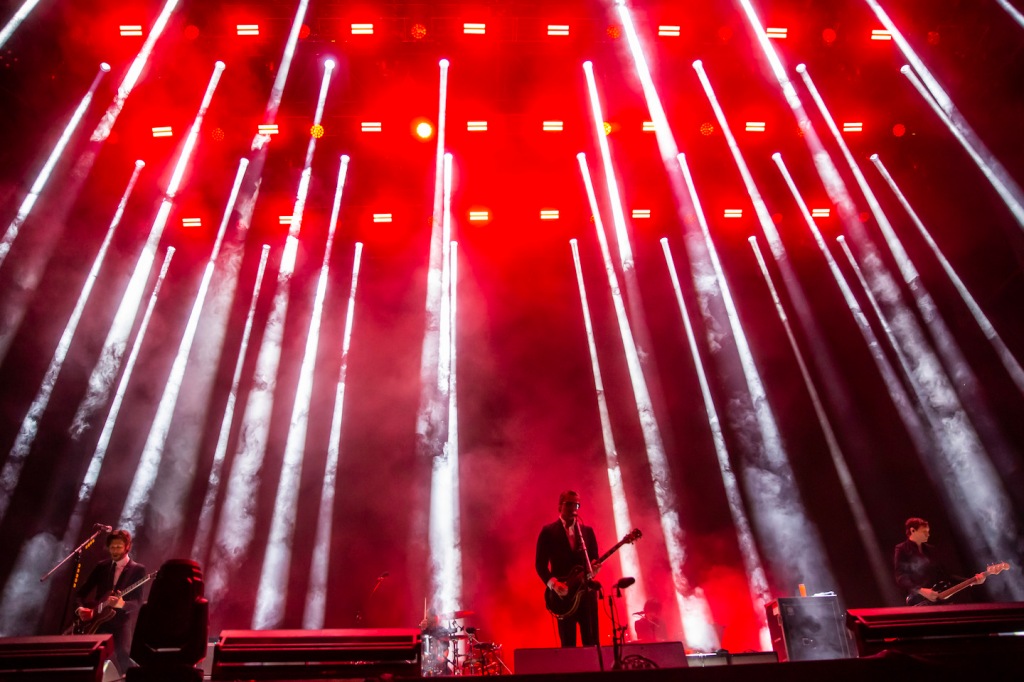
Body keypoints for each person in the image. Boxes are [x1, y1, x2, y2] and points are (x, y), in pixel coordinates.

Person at [75, 529, 148, 673]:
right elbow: (80, 594)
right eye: (112, 547)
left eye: (119, 547)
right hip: (96, 621)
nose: (115, 551)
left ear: (127, 547)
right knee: (89, 658)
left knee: (124, 656)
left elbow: (138, 602)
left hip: (120, 622)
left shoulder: (138, 570)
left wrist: (122, 604)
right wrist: (80, 609)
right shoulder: (101, 566)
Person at [535, 490, 601, 647]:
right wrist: (554, 585)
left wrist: (596, 568)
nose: (573, 507)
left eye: (576, 504)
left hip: (586, 594)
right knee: (568, 644)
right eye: (569, 504)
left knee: (591, 643)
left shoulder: (587, 532)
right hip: (563, 596)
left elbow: (594, 558)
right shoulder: (548, 532)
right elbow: (540, 565)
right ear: (560, 506)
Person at [894, 517, 984, 605]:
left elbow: (946, 575)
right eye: (924, 532)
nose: (928, 535)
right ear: (913, 531)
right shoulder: (902, 549)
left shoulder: (930, 550)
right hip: (919, 601)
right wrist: (921, 590)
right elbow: (901, 577)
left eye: (928, 532)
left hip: (940, 600)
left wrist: (971, 581)